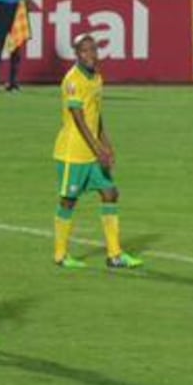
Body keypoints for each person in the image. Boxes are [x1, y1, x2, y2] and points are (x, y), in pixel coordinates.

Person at [53, 34, 144, 269]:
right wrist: (97, 148)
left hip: (93, 152)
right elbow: (78, 117)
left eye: (94, 49)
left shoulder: (97, 79)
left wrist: (107, 144)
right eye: (86, 50)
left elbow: (96, 115)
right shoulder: (73, 81)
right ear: (77, 54)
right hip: (73, 152)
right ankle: (61, 255)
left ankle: (114, 255)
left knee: (110, 193)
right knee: (68, 201)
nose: (92, 54)